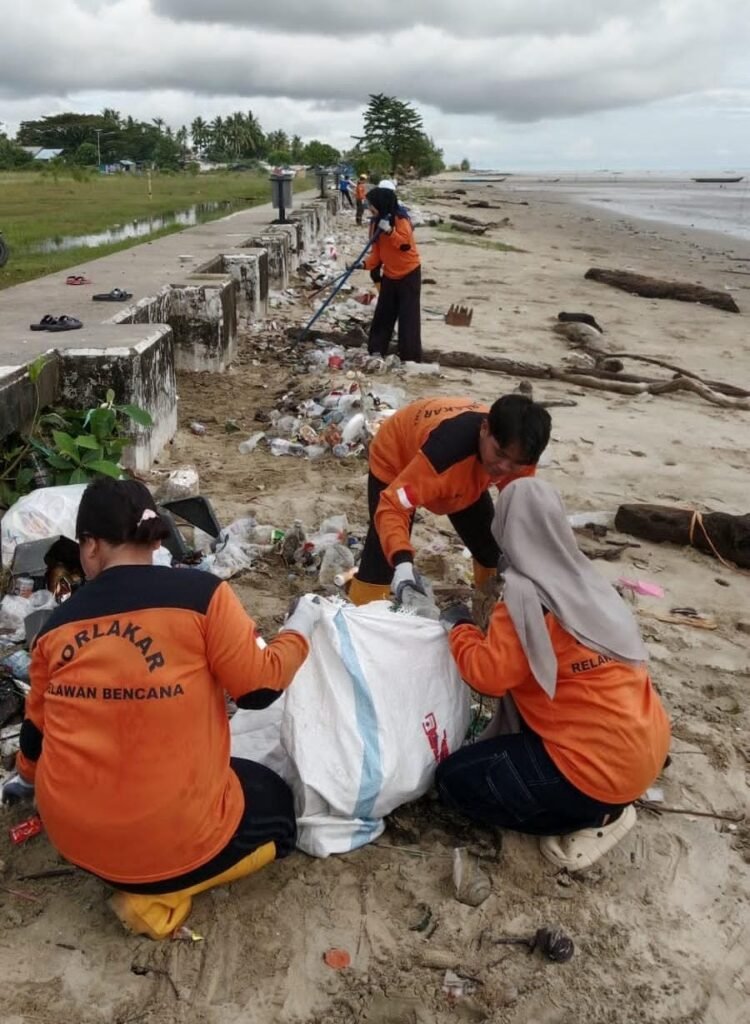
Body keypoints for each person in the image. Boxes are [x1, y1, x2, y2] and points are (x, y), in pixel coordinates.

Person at [1, 478, 321, 939]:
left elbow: (36, 730)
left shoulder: (55, 627)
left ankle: (133, 868)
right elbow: (259, 689)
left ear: (90, 547)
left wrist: (25, 780)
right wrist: (300, 629)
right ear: (154, 539)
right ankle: (157, 896)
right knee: (275, 806)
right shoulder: (202, 595)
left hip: (72, 835)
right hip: (168, 839)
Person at [435, 478, 671, 870]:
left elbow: (487, 677)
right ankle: (610, 797)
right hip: (645, 744)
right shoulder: (589, 582)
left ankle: (601, 818)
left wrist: (459, 628)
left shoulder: (525, 598)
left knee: (453, 781)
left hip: (596, 776)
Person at [348, 394, 552, 607]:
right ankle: (359, 616)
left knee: (491, 551)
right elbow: (393, 506)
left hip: (466, 471)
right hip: (398, 453)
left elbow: (519, 512)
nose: (504, 468)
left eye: (515, 464)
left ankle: (490, 609)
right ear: (484, 429)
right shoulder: (445, 453)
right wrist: (402, 562)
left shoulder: (522, 454)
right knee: (383, 557)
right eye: (499, 454)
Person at [360, 184, 422, 362]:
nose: (368, 208)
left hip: (409, 273)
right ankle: (376, 350)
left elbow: (405, 245)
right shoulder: (374, 223)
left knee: (408, 317)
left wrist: (390, 231)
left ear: (381, 203)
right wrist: (362, 265)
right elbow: (376, 254)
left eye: (370, 204)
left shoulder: (401, 219)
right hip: (389, 274)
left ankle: (410, 357)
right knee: (383, 314)